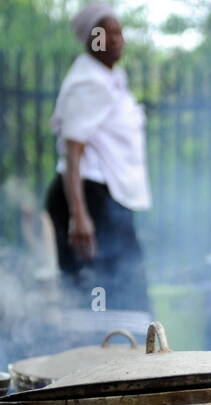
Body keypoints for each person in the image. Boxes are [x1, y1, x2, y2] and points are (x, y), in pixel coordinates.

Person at [46, 3, 152, 313]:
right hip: (88, 197)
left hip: (106, 198)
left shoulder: (110, 78)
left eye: (120, 32)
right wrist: (80, 217)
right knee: (99, 293)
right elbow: (73, 150)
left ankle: (125, 356)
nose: (119, 40)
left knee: (124, 288)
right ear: (93, 39)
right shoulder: (88, 83)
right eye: (110, 34)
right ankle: (97, 359)